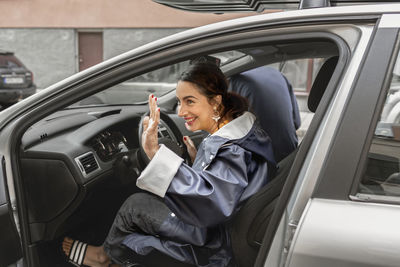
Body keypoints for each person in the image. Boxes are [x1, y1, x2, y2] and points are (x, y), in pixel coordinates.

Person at [62, 63, 276, 267]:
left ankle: (102, 257)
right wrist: (197, 165)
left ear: (216, 102)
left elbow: (210, 206)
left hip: (214, 242)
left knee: (134, 206)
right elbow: (224, 186)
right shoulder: (246, 135)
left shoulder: (231, 150)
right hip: (226, 229)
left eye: (189, 101)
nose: (181, 112)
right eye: (179, 102)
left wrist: (155, 153)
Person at [229, 66, 301, 162]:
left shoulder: (234, 82)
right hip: (290, 158)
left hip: (261, 163)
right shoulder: (277, 74)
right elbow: (297, 122)